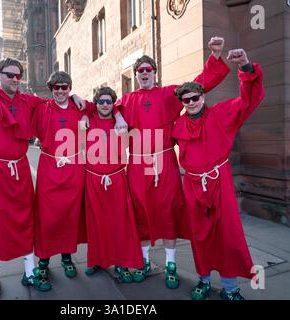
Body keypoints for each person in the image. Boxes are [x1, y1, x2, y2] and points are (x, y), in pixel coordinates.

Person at [0, 19, 85, 300]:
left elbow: (57, 103)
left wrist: (76, 98)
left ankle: (30, 271)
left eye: (18, 75)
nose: (15, 79)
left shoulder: (29, 102)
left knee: (26, 219)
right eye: (10, 74)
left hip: (20, 170)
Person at [114, 37, 230, 289]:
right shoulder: (127, 99)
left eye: (148, 70)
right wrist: (117, 116)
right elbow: (107, 108)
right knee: (140, 211)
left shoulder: (169, 94)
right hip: (137, 163)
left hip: (164, 160)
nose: (144, 74)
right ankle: (144, 261)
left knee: (167, 210)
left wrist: (216, 57)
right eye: (140, 71)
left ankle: (170, 263)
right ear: (136, 75)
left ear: (155, 73)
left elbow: (198, 86)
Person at [172, 49, 264, 300]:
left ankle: (230, 288)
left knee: (227, 235)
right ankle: (203, 280)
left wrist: (245, 66)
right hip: (192, 184)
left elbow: (248, 100)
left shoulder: (222, 113)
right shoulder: (178, 125)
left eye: (195, 97)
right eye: (186, 100)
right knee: (200, 236)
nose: (191, 102)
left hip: (218, 181)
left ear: (203, 96)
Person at [32, 72, 127, 291]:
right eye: (56, 87)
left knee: (70, 216)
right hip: (50, 167)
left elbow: (106, 106)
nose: (60, 90)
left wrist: (120, 118)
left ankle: (67, 258)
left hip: (75, 169)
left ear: (69, 88)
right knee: (47, 217)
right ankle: (44, 262)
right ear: (51, 88)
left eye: (65, 87)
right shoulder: (43, 108)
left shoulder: (80, 107)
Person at [83, 87, 143, 282]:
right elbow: (79, 106)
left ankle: (122, 262)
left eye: (109, 101)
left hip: (116, 177)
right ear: (97, 103)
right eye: (101, 101)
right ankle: (97, 260)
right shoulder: (88, 120)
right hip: (93, 178)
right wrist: (84, 113)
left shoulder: (122, 122)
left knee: (120, 222)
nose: (105, 105)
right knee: (96, 222)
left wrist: (118, 116)